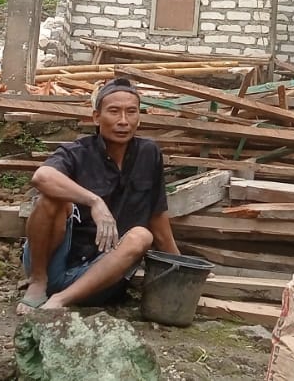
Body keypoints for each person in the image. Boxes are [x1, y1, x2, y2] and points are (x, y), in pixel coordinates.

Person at [17, 78, 179, 313]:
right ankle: (37, 282)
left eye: (131, 112)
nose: (123, 121)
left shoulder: (149, 154)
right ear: (96, 117)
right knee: (51, 198)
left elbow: (157, 217)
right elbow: (42, 177)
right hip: (56, 263)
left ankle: (61, 300)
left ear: (139, 117)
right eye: (114, 112)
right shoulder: (78, 153)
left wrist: (180, 264)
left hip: (100, 276)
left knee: (142, 235)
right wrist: (95, 201)